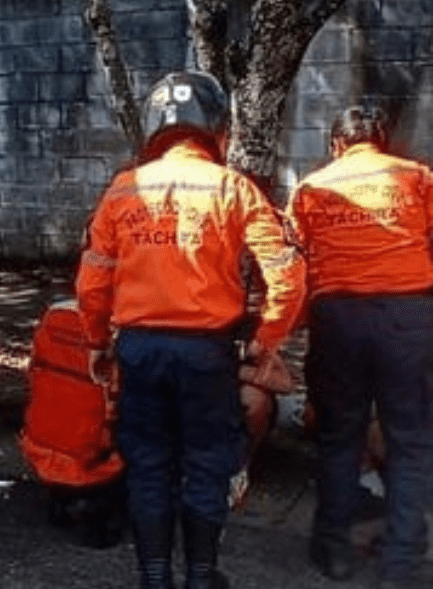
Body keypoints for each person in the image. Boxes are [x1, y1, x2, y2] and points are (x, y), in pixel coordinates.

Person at [75, 71, 306, 589]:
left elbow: (92, 281)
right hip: (208, 355)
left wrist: (95, 343)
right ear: (217, 128)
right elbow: (288, 275)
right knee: (206, 464)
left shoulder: (122, 189)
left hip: (138, 352)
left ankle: (155, 578)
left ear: (158, 125)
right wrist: (265, 343)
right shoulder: (234, 188)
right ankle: (201, 578)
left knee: (149, 465)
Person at [285, 104, 433, 589]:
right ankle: (402, 559)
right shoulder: (417, 177)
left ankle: (333, 552)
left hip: (339, 316)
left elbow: (295, 257)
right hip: (409, 313)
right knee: (410, 439)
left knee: (340, 437)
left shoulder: (312, 187)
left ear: (336, 144)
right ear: (383, 140)